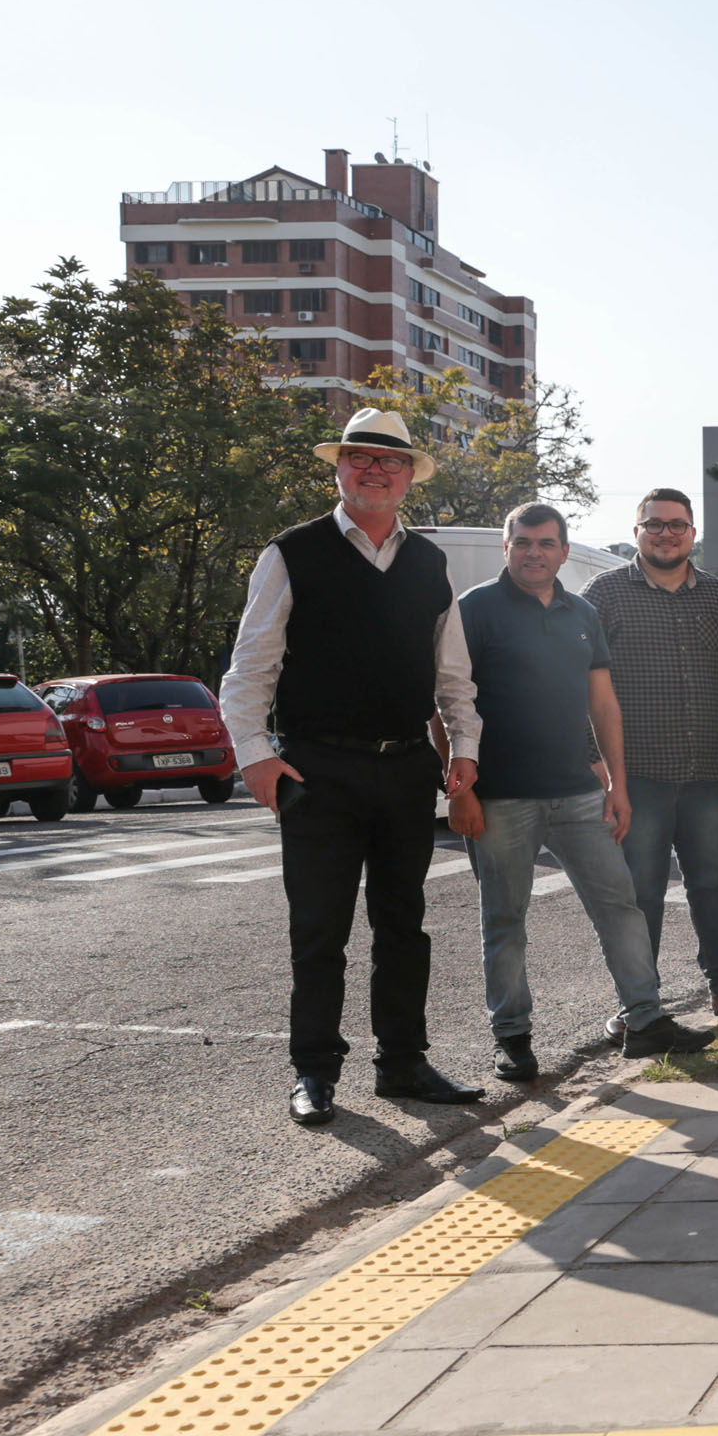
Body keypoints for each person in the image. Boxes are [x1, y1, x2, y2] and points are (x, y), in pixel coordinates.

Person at [221, 408, 486, 1126]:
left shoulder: (428, 562)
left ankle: (403, 1063)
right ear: (339, 467)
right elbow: (250, 668)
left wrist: (464, 751)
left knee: (404, 926)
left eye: (389, 460)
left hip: (405, 769)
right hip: (317, 771)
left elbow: (453, 674)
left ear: (408, 477)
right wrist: (257, 758)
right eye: (360, 457)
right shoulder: (291, 552)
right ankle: (314, 1071)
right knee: (319, 931)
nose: (375, 470)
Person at [453, 504, 718, 1077]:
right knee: (505, 919)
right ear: (506, 547)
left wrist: (617, 784)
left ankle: (644, 1020)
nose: (534, 552)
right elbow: (446, 700)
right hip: (500, 797)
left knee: (620, 905)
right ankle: (512, 1036)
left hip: (578, 792)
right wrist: (457, 787)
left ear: (564, 551)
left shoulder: (582, 613)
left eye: (546, 543)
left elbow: (603, 703)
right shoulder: (474, 609)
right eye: (523, 542)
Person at [581, 488, 718, 1028]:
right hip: (635, 774)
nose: (666, 534)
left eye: (677, 525)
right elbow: (578, 680)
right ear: (637, 531)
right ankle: (640, 1005)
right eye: (655, 524)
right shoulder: (604, 593)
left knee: (711, 883)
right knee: (641, 892)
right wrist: (596, 762)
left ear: (692, 532)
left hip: (707, 769)